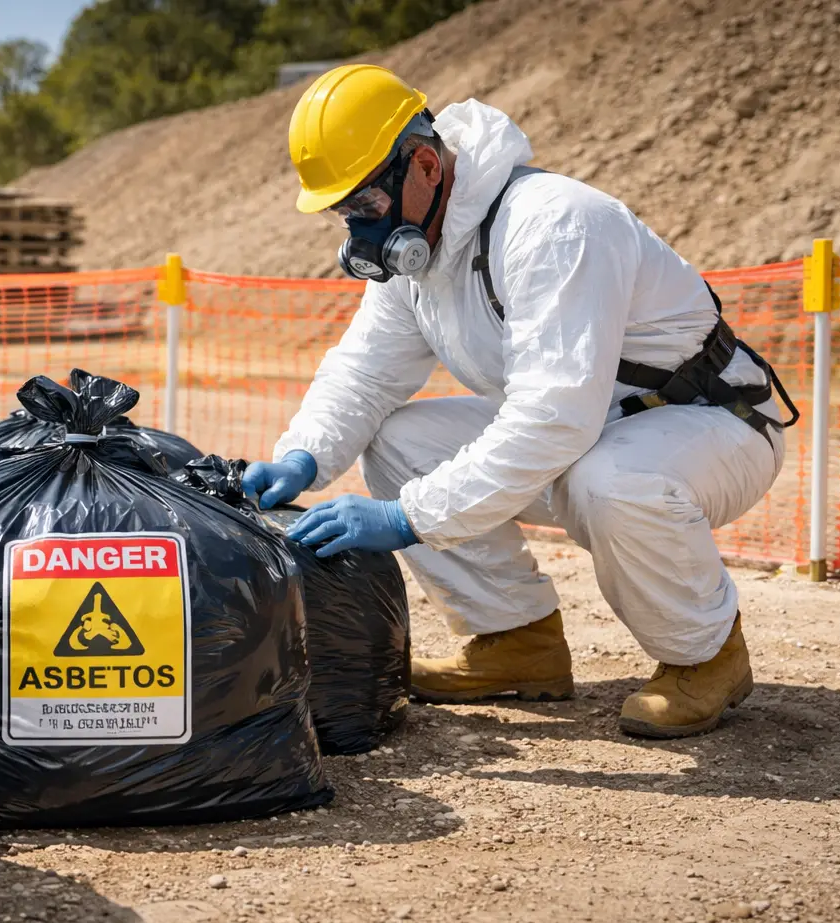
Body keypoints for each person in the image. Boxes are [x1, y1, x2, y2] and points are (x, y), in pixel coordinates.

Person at [245, 65, 797, 739]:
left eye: (364, 206)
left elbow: (553, 418)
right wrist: (302, 455)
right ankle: (515, 641)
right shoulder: (419, 256)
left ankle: (705, 656)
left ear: (423, 164)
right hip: (591, 431)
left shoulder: (553, 226)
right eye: (343, 213)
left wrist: (407, 516)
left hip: (711, 424)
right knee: (398, 440)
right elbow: (363, 374)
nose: (358, 230)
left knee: (609, 482)